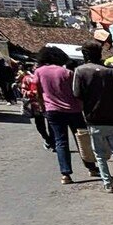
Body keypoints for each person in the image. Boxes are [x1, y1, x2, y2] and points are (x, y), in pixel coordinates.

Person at [72, 42, 113, 198]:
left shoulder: (80, 71)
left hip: (94, 119)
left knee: (99, 155)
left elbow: (77, 95)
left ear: (85, 55)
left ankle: (108, 184)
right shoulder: (111, 72)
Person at [34, 45, 84, 185]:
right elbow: (76, 93)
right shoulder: (67, 72)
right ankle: (91, 167)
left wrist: (43, 107)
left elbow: (38, 92)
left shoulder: (39, 72)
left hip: (53, 111)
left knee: (61, 142)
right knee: (82, 139)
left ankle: (66, 174)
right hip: (73, 110)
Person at [18, 62, 52, 150]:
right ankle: (47, 139)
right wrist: (31, 93)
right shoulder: (27, 78)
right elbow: (23, 89)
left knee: (51, 124)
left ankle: (53, 141)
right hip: (35, 105)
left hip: (48, 104)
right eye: (36, 67)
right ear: (33, 68)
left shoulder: (47, 77)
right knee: (40, 125)